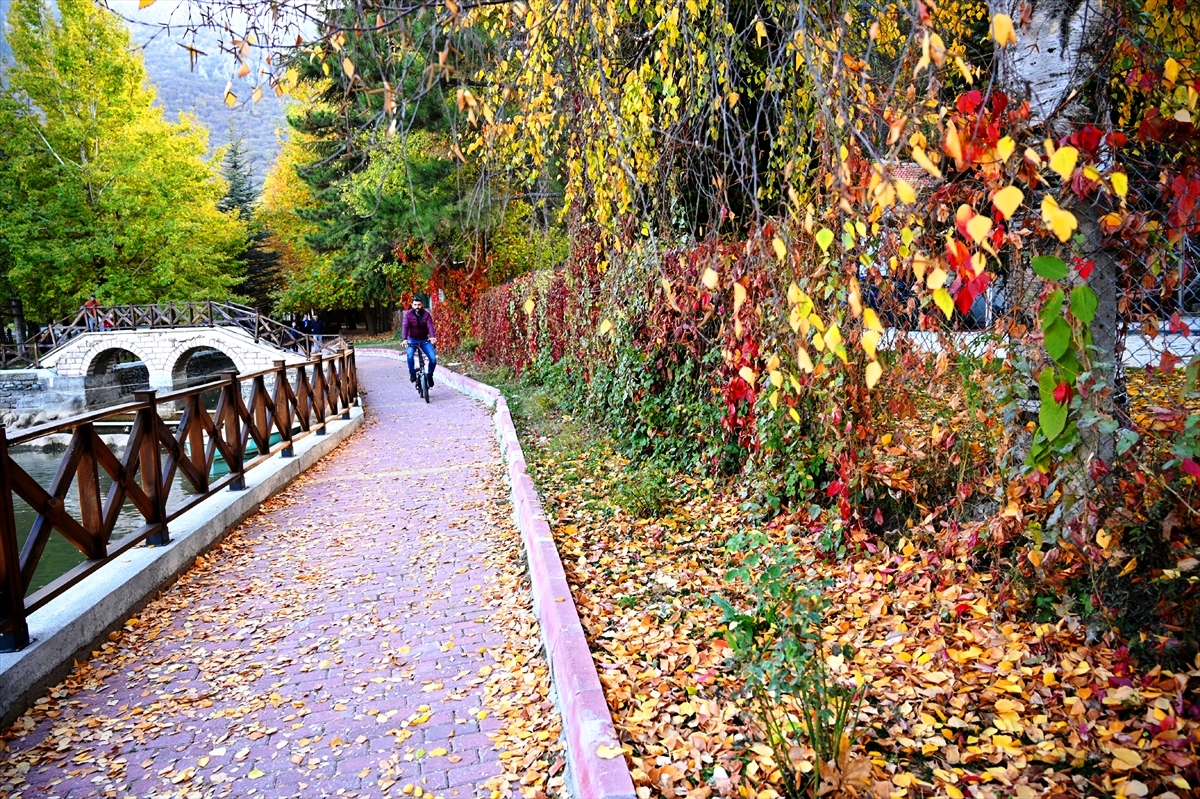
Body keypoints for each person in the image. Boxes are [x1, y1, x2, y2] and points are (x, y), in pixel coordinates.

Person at [402, 296, 437, 388]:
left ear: (422, 305)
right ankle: (412, 373)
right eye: (415, 305)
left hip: (424, 339)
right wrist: (405, 339)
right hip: (412, 339)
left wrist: (432, 337)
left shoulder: (426, 314)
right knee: (410, 355)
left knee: (433, 358)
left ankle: (429, 375)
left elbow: (430, 326)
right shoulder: (408, 314)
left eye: (419, 305)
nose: (417, 306)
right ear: (412, 305)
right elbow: (405, 326)